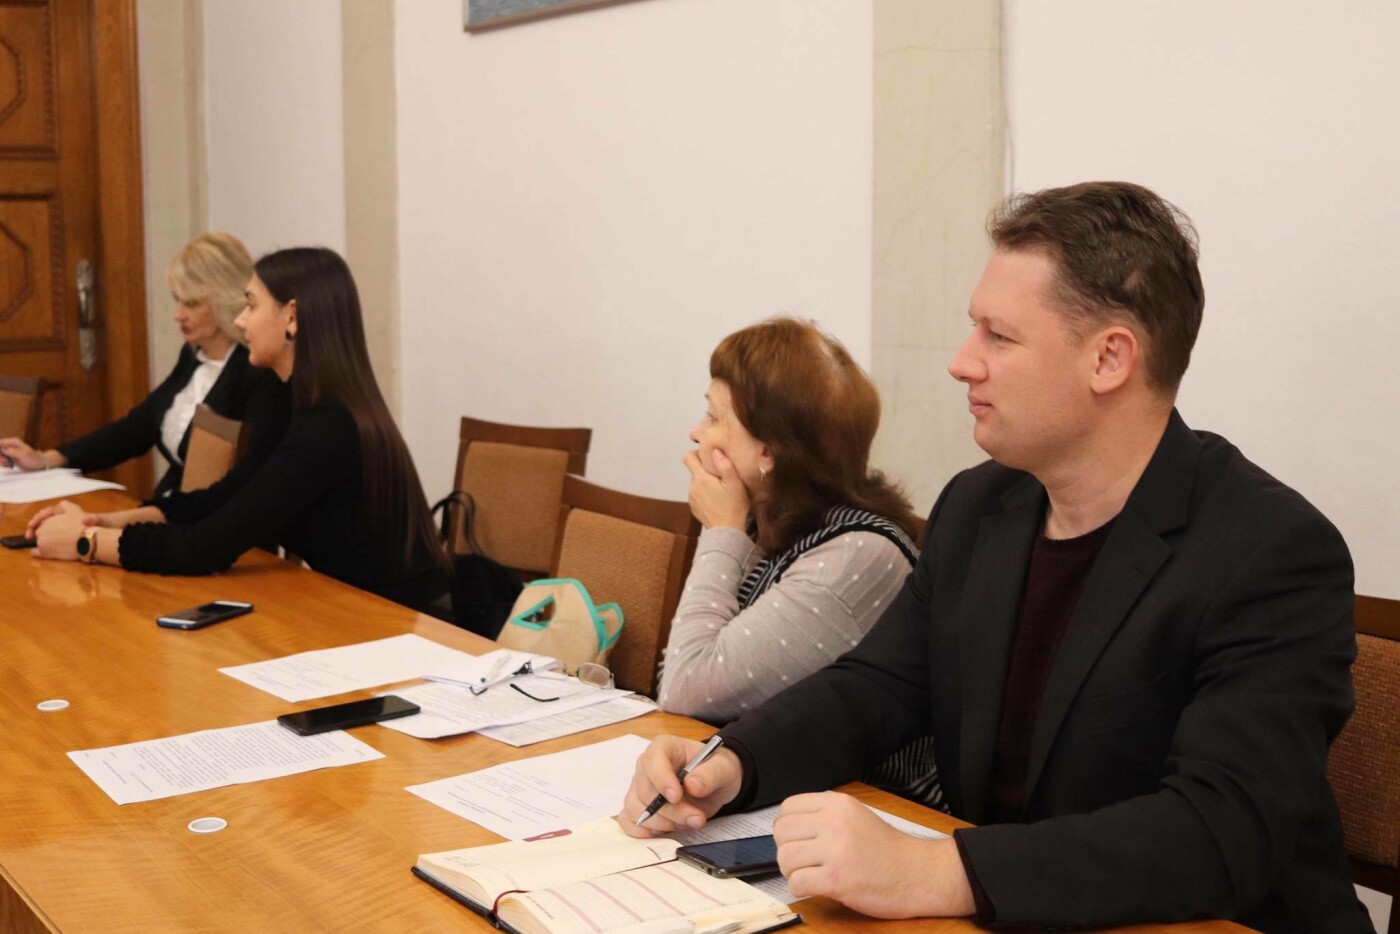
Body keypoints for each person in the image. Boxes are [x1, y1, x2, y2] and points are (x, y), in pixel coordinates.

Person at [619, 182, 1369, 932]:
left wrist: (939, 870)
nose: (961, 362)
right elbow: (878, 685)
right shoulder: (982, 505)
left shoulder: (1271, 551)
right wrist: (732, 762)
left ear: (1109, 358)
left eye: (998, 337)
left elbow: (1221, 828)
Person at [28, 247, 450, 614]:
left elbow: (205, 548)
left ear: (291, 317)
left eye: (251, 305)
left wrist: (85, 542)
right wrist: (104, 520)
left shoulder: (327, 425)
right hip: (349, 610)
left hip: (396, 628)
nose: (241, 321)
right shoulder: (297, 405)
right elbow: (221, 499)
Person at [657, 318, 937, 805]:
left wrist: (721, 531)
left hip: (880, 808)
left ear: (767, 452)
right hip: (769, 784)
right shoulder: (772, 519)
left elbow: (685, 688)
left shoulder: (857, 556)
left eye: (714, 418)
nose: (696, 433)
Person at [0, 233, 285, 497]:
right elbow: (139, 426)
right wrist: (48, 458)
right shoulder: (192, 355)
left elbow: (249, 480)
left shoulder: (257, 372)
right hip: (175, 507)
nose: (178, 315)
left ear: (225, 299)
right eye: (177, 300)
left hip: (214, 519)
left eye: (191, 303)